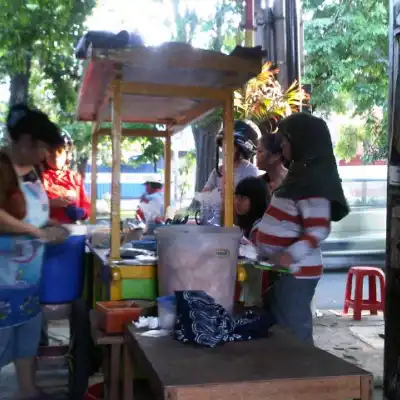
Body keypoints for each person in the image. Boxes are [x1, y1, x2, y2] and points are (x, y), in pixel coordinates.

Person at [257, 112, 349, 345]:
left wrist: (290, 254)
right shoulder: (299, 174)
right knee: (281, 329)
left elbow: (319, 229)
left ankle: (304, 378)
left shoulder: (313, 182)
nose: (284, 145)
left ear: (302, 142)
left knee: (294, 334)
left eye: (286, 140)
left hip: (297, 272)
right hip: (284, 272)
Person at [0, 104, 66, 399]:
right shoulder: (1, 166)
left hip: (27, 277)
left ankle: (28, 391)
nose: (45, 156)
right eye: (42, 148)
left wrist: (51, 225)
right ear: (25, 141)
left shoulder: (33, 170)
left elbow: (33, 213)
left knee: (26, 335)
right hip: (2, 277)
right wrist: (36, 232)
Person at [39, 132, 90, 224]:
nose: (55, 156)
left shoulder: (75, 177)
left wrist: (82, 212)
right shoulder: (38, 177)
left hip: (71, 229)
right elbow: (28, 206)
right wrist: (49, 203)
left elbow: (86, 205)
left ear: (67, 154)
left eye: (59, 151)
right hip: (45, 230)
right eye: (51, 152)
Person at [235, 177, 269, 306]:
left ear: (256, 200)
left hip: (258, 289)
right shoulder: (247, 223)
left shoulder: (261, 227)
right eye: (237, 197)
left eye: (243, 198)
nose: (237, 202)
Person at [203, 120, 260, 193]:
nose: (224, 149)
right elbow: (204, 195)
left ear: (240, 149)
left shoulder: (249, 170)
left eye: (229, 146)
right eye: (222, 145)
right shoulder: (218, 171)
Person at [256, 132, 288, 198]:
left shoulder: (291, 182)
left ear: (276, 156)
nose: (256, 156)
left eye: (260, 151)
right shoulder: (258, 182)